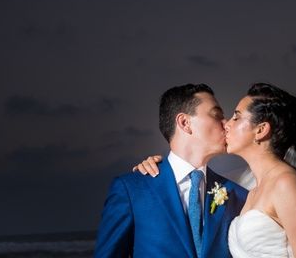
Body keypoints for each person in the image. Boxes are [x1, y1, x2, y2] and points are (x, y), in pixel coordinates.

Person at [135, 83, 296, 258]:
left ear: (261, 130)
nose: (227, 124)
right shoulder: (246, 190)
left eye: (236, 117)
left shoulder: (285, 185)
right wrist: (161, 170)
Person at [94, 83, 248, 258]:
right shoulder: (132, 190)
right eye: (217, 115)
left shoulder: (238, 195)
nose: (226, 123)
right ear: (184, 123)